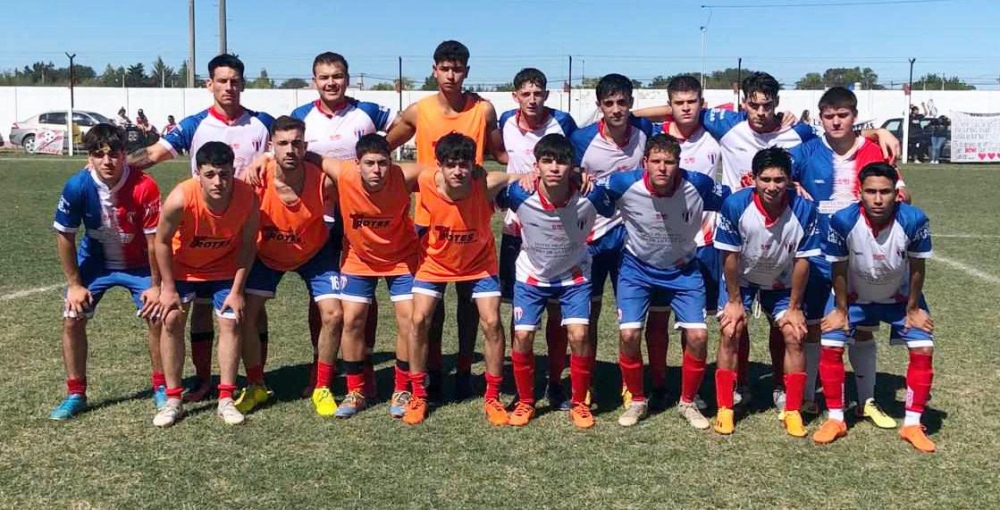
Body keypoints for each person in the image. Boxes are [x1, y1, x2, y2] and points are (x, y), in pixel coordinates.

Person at [128, 54, 273, 402]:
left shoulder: (262, 123)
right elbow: (151, 155)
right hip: (201, 231)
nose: (229, 87)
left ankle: (256, 379)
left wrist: (264, 157)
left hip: (247, 227)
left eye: (235, 80)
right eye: (221, 81)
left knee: (251, 306)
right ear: (209, 84)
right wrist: (116, 167)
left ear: (243, 83)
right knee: (201, 310)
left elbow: (287, 150)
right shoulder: (194, 125)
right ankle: (205, 379)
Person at [386, 40, 507, 403]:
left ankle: (467, 371)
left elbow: (501, 153)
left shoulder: (483, 111)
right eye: (445, 68)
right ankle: (434, 371)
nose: (452, 75)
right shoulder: (418, 111)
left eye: (458, 69)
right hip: (429, 219)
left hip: (471, 220)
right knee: (430, 309)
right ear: (435, 70)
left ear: (467, 71)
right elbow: (383, 146)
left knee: (473, 307)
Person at [790, 86, 909, 427]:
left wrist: (899, 193)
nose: (836, 121)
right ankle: (812, 397)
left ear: (854, 117)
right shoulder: (807, 151)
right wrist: (791, 186)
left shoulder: (872, 151)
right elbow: (779, 176)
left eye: (843, 115)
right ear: (821, 117)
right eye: (829, 116)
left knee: (861, 330)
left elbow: (901, 192)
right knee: (814, 328)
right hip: (815, 256)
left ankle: (866, 400)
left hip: (860, 259)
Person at [592, 134, 729, 428]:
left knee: (698, 336)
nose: (662, 168)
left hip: (683, 270)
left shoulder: (699, 184)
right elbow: (596, 196)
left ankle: (688, 402)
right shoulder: (623, 183)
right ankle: (638, 400)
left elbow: (732, 199)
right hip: (637, 269)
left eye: (669, 162)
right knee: (629, 335)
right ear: (645, 163)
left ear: (679, 164)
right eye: (656, 161)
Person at [290, 51, 396, 398]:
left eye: (337, 76)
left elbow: (403, 126)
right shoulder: (301, 116)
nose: (331, 82)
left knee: (364, 293)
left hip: (361, 216)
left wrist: (378, 153)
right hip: (319, 217)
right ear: (314, 81)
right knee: (320, 294)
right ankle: (320, 365)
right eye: (324, 77)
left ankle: (363, 365)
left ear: (347, 78)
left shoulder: (368, 112)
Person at [814, 163, 937, 454]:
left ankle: (912, 424)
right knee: (830, 343)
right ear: (860, 193)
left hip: (899, 299)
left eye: (885, 192)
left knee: (924, 348)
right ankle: (835, 419)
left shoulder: (914, 219)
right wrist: (841, 310)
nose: (878, 199)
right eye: (871, 192)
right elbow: (839, 268)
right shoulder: (843, 220)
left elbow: (918, 267)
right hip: (855, 297)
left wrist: (913, 307)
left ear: (897, 193)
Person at [49, 124, 165, 421]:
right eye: (98, 155)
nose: (107, 161)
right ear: (89, 158)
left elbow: (155, 242)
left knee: (158, 315)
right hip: (95, 263)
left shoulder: (145, 186)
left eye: (114, 154)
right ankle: (76, 393)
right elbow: (65, 235)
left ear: (124, 155)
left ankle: (162, 386)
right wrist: (74, 284)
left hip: (139, 263)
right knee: (72, 317)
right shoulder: (77, 186)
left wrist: (155, 285)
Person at [402, 133, 516, 426]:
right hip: (434, 262)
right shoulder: (426, 180)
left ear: (474, 165)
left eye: (464, 164)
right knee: (418, 321)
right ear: (439, 165)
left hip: (479, 263)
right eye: (451, 164)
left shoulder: (485, 183)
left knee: (491, 321)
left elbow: (522, 176)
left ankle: (492, 397)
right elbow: (384, 171)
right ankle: (418, 394)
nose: (458, 171)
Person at [231, 116, 341, 418]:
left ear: (305, 146)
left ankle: (322, 386)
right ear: (271, 147)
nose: (290, 149)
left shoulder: (322, 179)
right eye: (282, 144)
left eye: (296, 143)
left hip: (315, 252)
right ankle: (256, 385)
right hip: (266, 255)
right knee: (244, 316)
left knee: (334, 314)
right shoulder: (255, 179)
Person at [314, 134, 424, 419]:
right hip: (358, 259)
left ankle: (401, 389)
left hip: (401, 258)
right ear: (357, 163)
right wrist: (265, 159)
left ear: (392, 162)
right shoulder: (344, 174)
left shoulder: (405, 175)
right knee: (352, 320)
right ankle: (356, 390)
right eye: (370, 163)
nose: (377, 170)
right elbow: (313, 157)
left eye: (383, 163)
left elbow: (441, 170)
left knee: (409, 319)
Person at [496, 133, 601, 428]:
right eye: (547, 161)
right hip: (531, 276)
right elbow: (484, 186)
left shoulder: (589, 194)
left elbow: (618, 197)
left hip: (573, 276)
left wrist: (586, 176)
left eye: (562, 161)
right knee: (523, 336)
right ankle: (526, 401)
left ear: (572, 166)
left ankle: (579, 402)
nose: (554, 167)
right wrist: (519, 176)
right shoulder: (519, 194)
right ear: (537, 165)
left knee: (579, 335)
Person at [713, 147, 819, 437]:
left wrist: (795, 307)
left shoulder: (805, 210)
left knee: (795, 334)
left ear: (790, 181)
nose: (772, 186)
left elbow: (803, 261)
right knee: (731, 329)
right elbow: (729, 258)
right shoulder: (735, 205)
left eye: (779, 180)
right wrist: (734, 301)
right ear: (753, 179)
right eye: (766, 179)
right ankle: (725, 405)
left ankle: (792, 408)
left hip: (782, 282)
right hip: (743, 281)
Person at [153, 141, 260, 426]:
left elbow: (249, 244)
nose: (218, 181)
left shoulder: (247, 196)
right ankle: (173, 399)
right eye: (210, 174)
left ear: (232, 171)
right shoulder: (181, 197)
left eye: (224, 174)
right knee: (172, 318)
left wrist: (237, 291)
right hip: (182, 269)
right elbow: (161, 242)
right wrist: (167, 287)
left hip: (224, 268)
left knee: (231, 320)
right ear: (197, 172)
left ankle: (225, 398)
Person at [570, 73, 653, 409]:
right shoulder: (581, 139)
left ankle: (628, 383)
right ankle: (585, 382)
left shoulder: (645, 132)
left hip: (629, 238)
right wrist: (578, 175)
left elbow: (680, 117)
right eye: (609, 103)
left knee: (629, 318)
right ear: (599, 106)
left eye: (622, 102)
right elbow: (564, 171)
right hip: (589, 237)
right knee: (587, 315)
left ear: (631, 103)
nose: (617, 109)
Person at [497, 67, 578, 410]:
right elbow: (498, 154)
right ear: (515, 96)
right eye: (525, 94)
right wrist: (518, 177)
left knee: (559, 313)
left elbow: (573, 161)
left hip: (555, 228)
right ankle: (522, 385)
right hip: (516, 228)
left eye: (538, 93)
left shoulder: (563, 122)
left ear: (547, 95)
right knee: (520, 315)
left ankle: (556, 382)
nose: (532, 99)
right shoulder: (504, 121)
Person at [644, 75, 722, 409]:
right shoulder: (654, 136)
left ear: (702, 104)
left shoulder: (718, 133)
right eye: (679, 102)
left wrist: (874, 131)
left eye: (692, 102)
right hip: (661, 243)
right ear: (669, 104)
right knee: (658, 317)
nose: (686, 108)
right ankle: (660, 382)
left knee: (699, 324)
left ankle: (696, 387)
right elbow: (626, 116)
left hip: (704, 242)